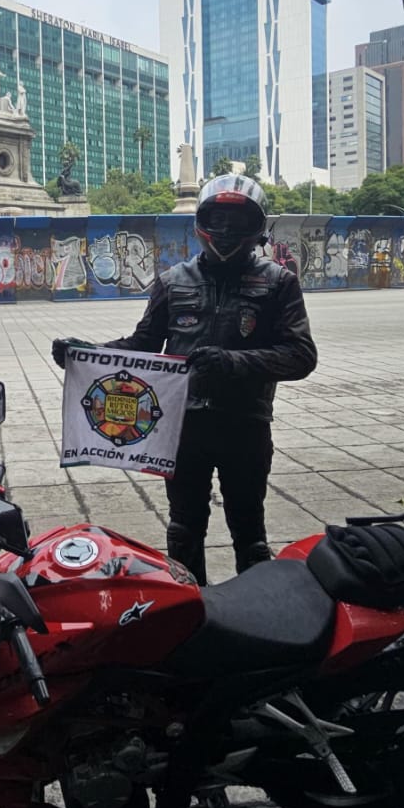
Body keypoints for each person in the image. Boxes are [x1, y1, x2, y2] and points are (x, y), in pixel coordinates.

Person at [52, 174, 317, 584]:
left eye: (238, 221)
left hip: (246, 425)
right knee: (183, 529)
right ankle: (191, 616)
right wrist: (84, 352)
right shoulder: (173, 281)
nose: (227, 230)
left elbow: (301, 356)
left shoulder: (279, 282)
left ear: (257, 228)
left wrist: (233, 362)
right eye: (219, 218)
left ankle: (260, 613)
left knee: (249, 529)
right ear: (202, 222)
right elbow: (143, 342)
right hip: (182, 429)